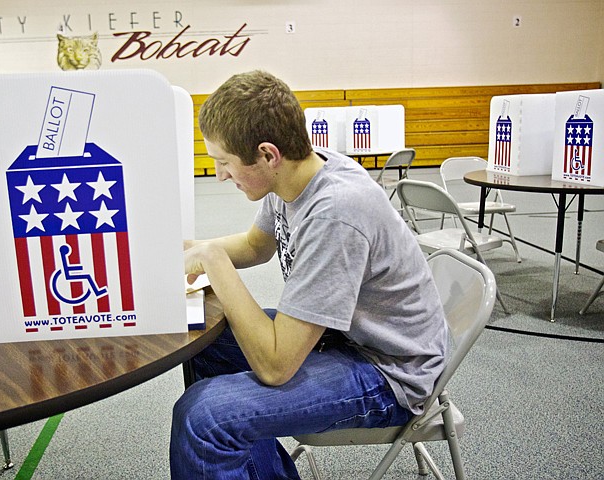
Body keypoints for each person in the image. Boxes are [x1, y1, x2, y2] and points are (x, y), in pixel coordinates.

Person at [170, 70, 450, 479]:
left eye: (225, 162)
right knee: (208, 340)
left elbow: (276, 367)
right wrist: (190, 250)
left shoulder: (336, 213)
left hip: (390, 372)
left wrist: (213, 262)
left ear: (268, 155)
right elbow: (255, 246)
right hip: (347, 339)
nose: (219, 175)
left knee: (204, 418)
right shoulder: (298, 174)